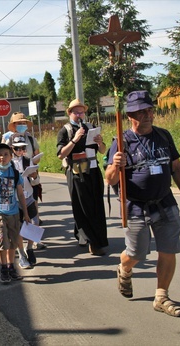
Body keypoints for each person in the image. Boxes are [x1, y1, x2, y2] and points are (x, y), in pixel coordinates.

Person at [105, 90, 180, 317]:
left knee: (168, 250)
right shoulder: (121, 141)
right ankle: (124, 269)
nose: (147, 115)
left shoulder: (163, 136)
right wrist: (116, 165)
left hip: (165, 203)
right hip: (135, 206)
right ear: (130, 115)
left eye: (149, 110)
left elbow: (176, 168)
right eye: (140, 111)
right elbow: (109, 179)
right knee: (136, 253)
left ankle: (161, 296)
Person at [57, 99, 108, 255]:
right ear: (70, 113)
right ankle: (92, 241)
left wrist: (100, 143)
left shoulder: (90, 127)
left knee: (96, 204)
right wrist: (75, 139)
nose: (80, 115)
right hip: (77, 171)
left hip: (93, 169)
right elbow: (61, 154)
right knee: (82, 206)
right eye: (76, 112)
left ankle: (85, 235)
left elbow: (102, 151)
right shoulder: (65, 130)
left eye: (82, 112)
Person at [0, 143, 30, 283]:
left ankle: (11, 267)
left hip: (13, 213)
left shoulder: (14, 173)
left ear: (11, 156)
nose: (2, 157)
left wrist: (25, 213)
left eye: (6, 154)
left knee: (13, 242)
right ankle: (3, 269)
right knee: (1, 240)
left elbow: (20, 194)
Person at [5, 112, 45, 248]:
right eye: (18, 123)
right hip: (14, 181)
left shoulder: (31, 139)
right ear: (13, 125)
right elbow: (3, 157)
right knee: (18, 215)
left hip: (29, 176)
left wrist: (31, 161)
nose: (22, 125)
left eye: (23, 123)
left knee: (34, 209)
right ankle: (19, 244)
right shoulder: (8, 139)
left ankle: (33, 242)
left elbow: (37, 155)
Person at [11, 136, 41, 268]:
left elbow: (36, 182)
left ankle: (29, 248)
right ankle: (21, 254)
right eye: (17, 148)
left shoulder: (29, 161)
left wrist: (34, 176)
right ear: (12, 149)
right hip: (14, 199)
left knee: (34, 223)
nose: (20, 150)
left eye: (23, 148)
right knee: (18, 227)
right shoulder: (9, 163)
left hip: (28, 196)